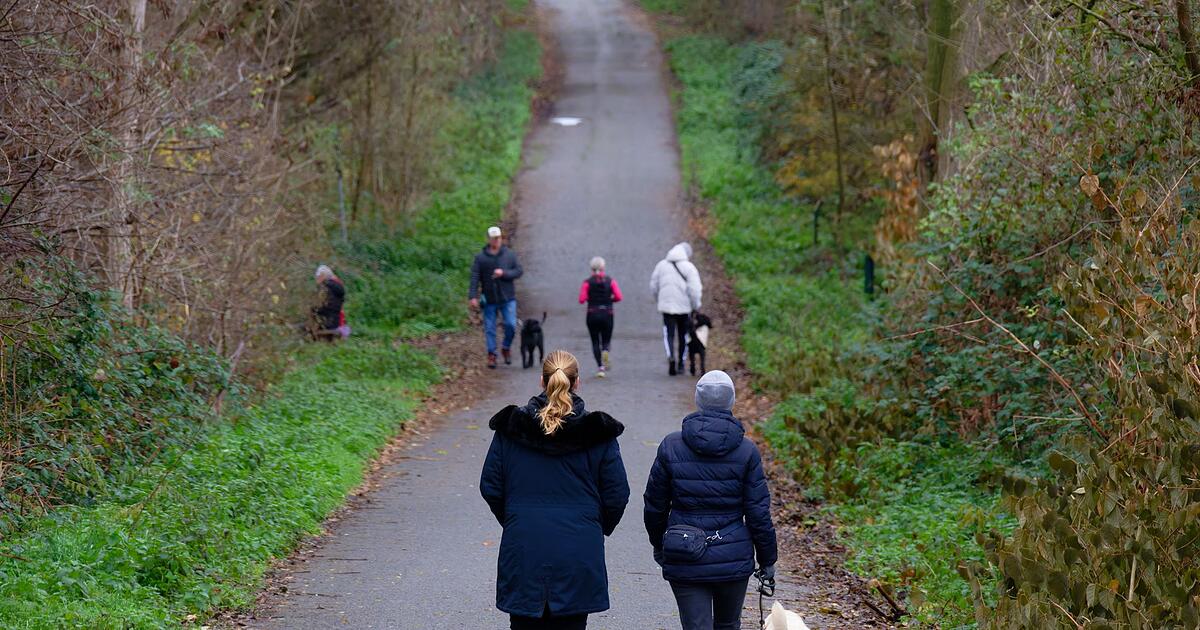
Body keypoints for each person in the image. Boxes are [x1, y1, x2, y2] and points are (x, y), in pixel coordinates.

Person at [480, 350, 630, 630]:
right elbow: (617, 494)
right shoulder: (598, 433)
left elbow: (491, 485)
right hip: (578, 547)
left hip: (524, 545)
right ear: (577, 383)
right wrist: (595, 526)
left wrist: (514, 517)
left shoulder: (512, 429)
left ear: (542, 381)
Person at [643, 370, 778, 630]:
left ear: (698, 400)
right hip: (733, 554)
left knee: (696, 626)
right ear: (732, 402)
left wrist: (659, 543)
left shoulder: (671, 445)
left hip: (684, 552)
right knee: (728, 624)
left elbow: (655, 504)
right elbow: (758, 512)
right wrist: (767, 559)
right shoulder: (747, 451)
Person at [469, 226, 524, 369]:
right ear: (488, 239)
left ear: (501, 238)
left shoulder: (509, 255)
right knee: (490, 328)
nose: (496, 241)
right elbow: (475, 277)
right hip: (489, 298)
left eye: (498, 238)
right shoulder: (481, 258)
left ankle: (506, 347)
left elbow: (518, 271)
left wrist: (504, 273)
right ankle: (491, 354)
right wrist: (473, 296)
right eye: (494, 238)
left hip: (508, 297)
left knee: (511, 325)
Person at [649, 242, 702, 376]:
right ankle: (681, 363)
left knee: (669, 334)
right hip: (684, 308)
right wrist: (695, 306)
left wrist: (659, 299)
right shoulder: (689, 268)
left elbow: (654, 285)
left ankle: (671, 356)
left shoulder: (661, 265)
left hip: (667, 307)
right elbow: (695, 290)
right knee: (683, 335)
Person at [578, 256, 623, 378]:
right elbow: (619, 296)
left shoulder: (587, 283)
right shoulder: (611, 281)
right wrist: (610, 299)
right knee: (606, 339)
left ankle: (600, 367)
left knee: (595, 341)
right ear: (603, 267)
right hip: (607, 314)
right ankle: (606, 351)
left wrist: (590, 298)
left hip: (592, 314)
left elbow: (582, 300)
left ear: (591, 268)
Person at [312, 264, 348, 340]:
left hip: (330, 319)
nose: (317, 279)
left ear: (323, 276)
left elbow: (328, 305)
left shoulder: (328, 286)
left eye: (318, 277)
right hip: (334, 318)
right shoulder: (334, 285)